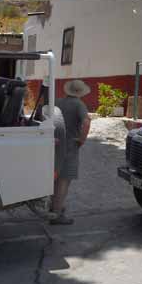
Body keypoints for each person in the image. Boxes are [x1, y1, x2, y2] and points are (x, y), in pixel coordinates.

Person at [51, 79, 92, 225]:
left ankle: (52, 208)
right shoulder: (79, 105)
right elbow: (86, 122)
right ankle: (56, 214)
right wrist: (81, 140)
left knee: (55, 178)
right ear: (80, 92)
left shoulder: (58, 102)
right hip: (69, 147)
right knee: (64, 180)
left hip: (55, 145)